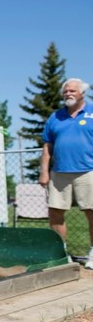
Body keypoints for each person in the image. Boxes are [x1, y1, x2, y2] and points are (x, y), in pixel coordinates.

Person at [39, 78, 93, 269]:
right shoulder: (55, 117)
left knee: (91, 212)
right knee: (55, 212)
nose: (68, 94)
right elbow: (47, 148)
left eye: (72, 91)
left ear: (82, 94)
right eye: (65, 91)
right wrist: (44, 172)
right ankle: (61, 254)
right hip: (59, 173)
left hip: (88, 171)